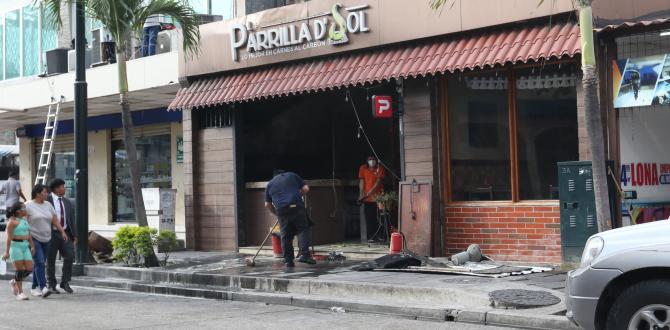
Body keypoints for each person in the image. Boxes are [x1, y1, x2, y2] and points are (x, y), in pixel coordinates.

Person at [264, 169, 316, 268]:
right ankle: (304, 255)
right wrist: (298, 195)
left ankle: (288, 260)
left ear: (274, 176)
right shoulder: (292, 175)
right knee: (303, 229)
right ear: (283, 173)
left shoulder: (270, 184)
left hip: (281, 210)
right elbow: (306, 189)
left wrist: (276, 213)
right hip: (296, 206)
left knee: (286, 235)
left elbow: (267, 204)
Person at [26, 184, 68, 298]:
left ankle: (34, 287)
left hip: (47, 238)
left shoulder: (48, 205)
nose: (47, 194)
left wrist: (62, 232)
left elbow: (55, 221)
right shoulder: (28, 206)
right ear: (38, 193)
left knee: (39, 263)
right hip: (33, 237)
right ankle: (43, 287)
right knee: (39, 262)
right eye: (44, 192)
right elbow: (24, 224)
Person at [46, 178, 77, 294]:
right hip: (51, 234)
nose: (64, 189)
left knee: (69, 256)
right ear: (56, 189)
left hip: (65, 233)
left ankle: (65, 282)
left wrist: (75, 235)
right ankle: (51, 284)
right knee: (50, 260)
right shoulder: (47, 200)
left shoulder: (67, 202)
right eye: (63, 187)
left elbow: (71, 220)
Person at [3, 201, 35, 301]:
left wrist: (32, 246)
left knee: (29, 269)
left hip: (25, 246)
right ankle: (19, 292)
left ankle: (14, 281)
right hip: (15, 247)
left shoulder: (24, 220)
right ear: (17, 211)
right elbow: (10, 238)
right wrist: (6, 252)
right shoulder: (11, 222)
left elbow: (29, 234)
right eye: (23, 209)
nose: (25, 210)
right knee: (19, 270)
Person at [358, 156, 385, 241]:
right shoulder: (363, 168)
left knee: (381, 217)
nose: (372, 161)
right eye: (370, 160)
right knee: (369, 218)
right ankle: (371, 237)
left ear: (376, 161)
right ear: (367, 161)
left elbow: (378, 182)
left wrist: (370, 192)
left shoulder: (380, 168)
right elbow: (362, 181)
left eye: (373, 160)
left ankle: (381, 236)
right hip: (367, 199)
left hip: (379, 198)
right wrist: (361, 193)